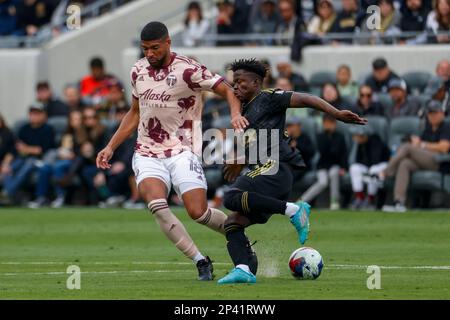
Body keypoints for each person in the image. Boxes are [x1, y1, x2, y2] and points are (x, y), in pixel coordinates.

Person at [96, 21, 248, 281]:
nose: (150, 54)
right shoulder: (137, 71)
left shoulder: (188, 70)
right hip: (147, 152)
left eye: (154, 48)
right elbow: (134, 112)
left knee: (197, 212)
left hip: (182, 150)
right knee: (157, 205)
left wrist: (235, 114)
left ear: (168, 42)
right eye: (145, 49)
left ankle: (239, 241)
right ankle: (200, 260)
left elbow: (227, 89)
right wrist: (110, 146)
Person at [217, 58, 366, 284]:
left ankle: (294, 210)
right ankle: (244, 268)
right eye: (234, 83)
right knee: (232, 223)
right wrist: (243, 158)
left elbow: (307, 98)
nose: (236, 86)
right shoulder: (244, 109)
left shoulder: (268, 98)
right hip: (265, 176)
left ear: (256, 82)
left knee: (231, 196)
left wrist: (335, 113)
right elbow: (260, 144)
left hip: (276, 169)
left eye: (241, 82)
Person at [380, 100, 450, 212]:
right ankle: (399, 202)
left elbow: (444, 147)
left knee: (407, 147)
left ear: (441, 113)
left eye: (435, 113)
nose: (432, 116)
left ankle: (384, 173)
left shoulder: (446, 125)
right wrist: (417, 143)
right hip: (425, 160)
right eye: (430, 113)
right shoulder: (427, 128)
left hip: (440, 162)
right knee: (405, 163)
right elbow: (420, 146)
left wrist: (421, 144)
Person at [1, 103, 55, 203]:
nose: (34, 116)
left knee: (28, 165)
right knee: (8, 169)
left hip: (39, 160)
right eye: (32, 113)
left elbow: (42, 150)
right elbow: (17, 147)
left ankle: (7, 192)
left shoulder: (48, 129)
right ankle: (9, 193)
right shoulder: (24, 129)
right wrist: (27, 150)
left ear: (44, 115)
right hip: (22, 157)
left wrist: (27, 149)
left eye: (37, 113)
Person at [299, 114, 348, 210]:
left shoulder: (340, 136)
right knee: (323, 182)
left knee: (334, 173)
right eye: (326, 123)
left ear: (335, 124)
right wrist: (328, 136)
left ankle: (334, 201)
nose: (329, 125)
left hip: (335, 165)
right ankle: (302, 201)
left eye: (331, 123)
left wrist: (344, 167)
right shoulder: (320, 136)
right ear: (323, 124)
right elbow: (323, 151)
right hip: (322, 165)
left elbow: (342, 153)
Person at [349, 125, 391, 210]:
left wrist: (365, 175)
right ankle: (360, 198)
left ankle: (370, 200)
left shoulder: (375, 140)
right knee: (354, 168)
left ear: (363, 135)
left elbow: (376, 159)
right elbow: (358, 161)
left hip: (383, 165)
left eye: (358, 136)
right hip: (369, 166)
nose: (356, 138)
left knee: (373, 170)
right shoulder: (360, 144)